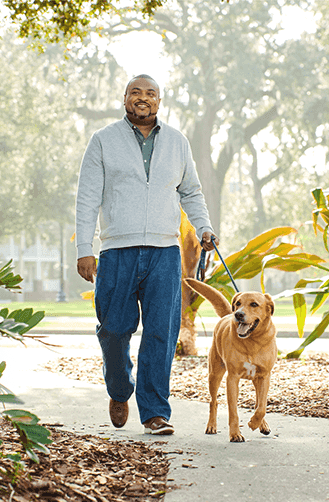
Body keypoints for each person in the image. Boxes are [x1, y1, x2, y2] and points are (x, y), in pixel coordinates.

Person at [75, 74, 218, 435]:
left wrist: (204, 228)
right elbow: (87, 198)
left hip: (164, 252)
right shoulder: (103, 141)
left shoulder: (177, 142)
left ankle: (155, 412)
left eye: (150, 93)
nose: (143, 98)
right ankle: (120, 388)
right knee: (113, 329)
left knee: (161, 333)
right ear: (125, 99)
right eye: (136, 92)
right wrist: (83, 248)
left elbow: (192, 192)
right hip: (116, 251)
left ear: (159, 101)